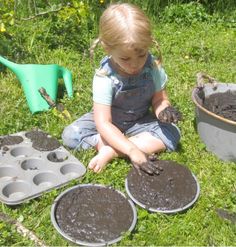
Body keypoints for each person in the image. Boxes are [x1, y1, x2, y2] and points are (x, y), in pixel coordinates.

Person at [62, 3, 182, 174]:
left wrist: (164, 110)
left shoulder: (152, 66)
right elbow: (103, 122)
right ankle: (130, 147)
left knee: (172, 132)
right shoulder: (105, 76)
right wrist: (133, 150)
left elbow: (159, 99)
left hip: (139, 121)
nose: (135, 64)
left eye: (142, 54)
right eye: (125, 58)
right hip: (109, 124)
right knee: (71, 135)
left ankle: (111, 150)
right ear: (107, 48)